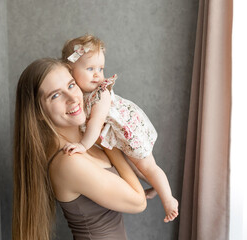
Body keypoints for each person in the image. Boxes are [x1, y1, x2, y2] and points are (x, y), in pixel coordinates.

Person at [12, 58, 147, 240]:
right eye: (55, 95)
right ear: (38, 113)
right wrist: (108, 144)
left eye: (71, 85)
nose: (72, 98)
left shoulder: (87, 145)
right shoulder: (69, 161)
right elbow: (138, 203)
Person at [61, 34, 178, 222]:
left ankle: (169, 199)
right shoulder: (79, 94)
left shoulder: (101, 93)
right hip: (117, 137)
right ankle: (157, 187)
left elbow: (95, 124)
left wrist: (83, 146)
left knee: (148, 166)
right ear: (70, 69)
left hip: (130, 132)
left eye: (100, 68)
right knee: (136, 169)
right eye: (90, 68)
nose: (98, 74)